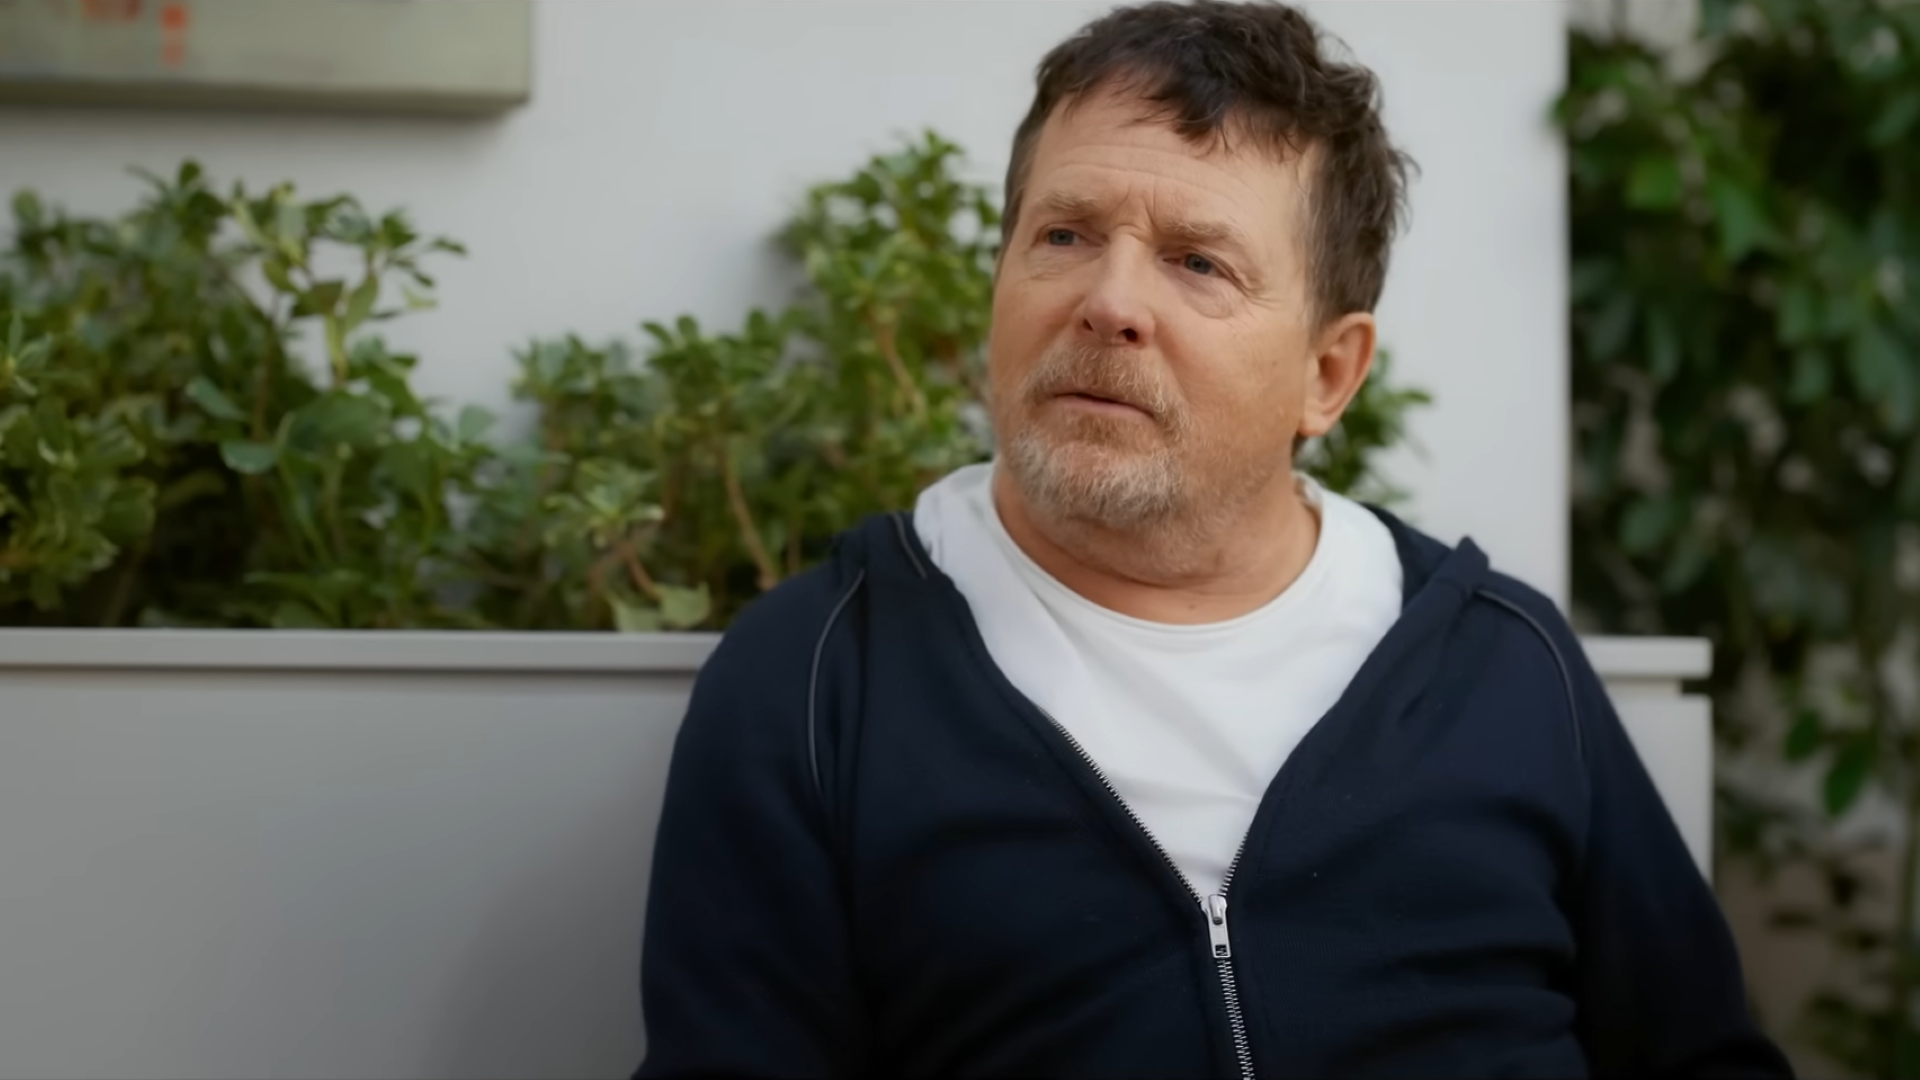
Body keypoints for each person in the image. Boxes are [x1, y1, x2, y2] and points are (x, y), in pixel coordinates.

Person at [635, 2, 1792, 1076]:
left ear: (1327, 374)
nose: (1109, 302)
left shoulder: (1503, 665)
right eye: (1064, 234)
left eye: (1198, 262)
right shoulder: (819, 679)